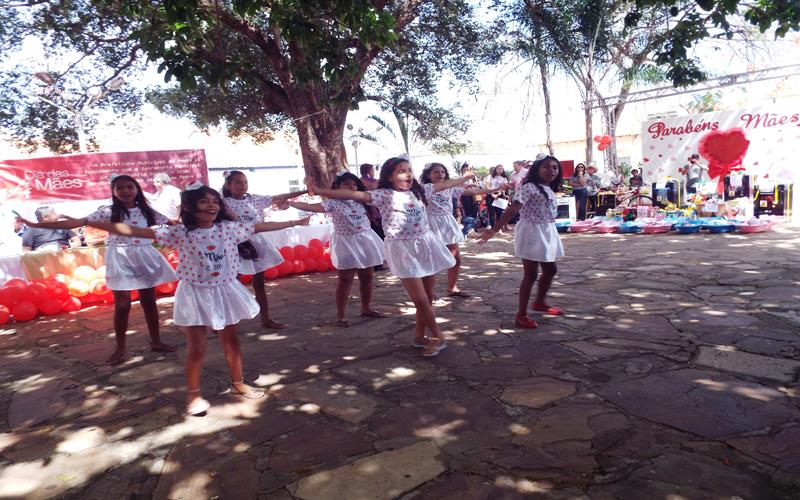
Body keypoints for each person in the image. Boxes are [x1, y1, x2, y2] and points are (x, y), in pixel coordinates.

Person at [90, 182, 310, 415]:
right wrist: (94, 223)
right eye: (204, 201)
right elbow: (139, 232)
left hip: (224, 289)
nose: (211, 206)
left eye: (215, 201)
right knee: (197, 347)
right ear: (189, 206)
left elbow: (260, 226)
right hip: (194, 292)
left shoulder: (228, 228)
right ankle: (193, 395)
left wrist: (294, 222)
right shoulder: (180, 232)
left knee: (231, 341)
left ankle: (238, 384)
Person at [306, 156, 470, 357]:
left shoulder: (421, 190)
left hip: (425, 244)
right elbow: (354, 194)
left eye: (409, 170)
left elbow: (447, 183)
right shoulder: (382, 195)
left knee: (427, 297)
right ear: (390, 177)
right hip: (402, 249)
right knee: (420, 299)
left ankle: (419, 336)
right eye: (402, 170)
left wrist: (464, 178)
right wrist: (320, 191)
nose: (408, 174)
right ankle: (438, 336)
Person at [18, 175, 177, 364]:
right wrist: (35, 225)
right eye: (120, 188)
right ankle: (120, 347)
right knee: (122, 305)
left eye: (129, 187)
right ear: (114, 192)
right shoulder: (107, 212)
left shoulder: (146, 210)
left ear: (137, 189)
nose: (125, 191)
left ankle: (156, 341)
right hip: (120, 258)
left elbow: (172, 223)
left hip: (144, 257)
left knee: (149, 302)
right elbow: (75, 223)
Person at [288, 172, 385, 326]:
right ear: (337, 188)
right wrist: (291, 203)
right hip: (345, 243)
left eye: (354, 184)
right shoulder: (332, 203)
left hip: (365, 240)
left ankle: (366, 308)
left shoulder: (362, 201)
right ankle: (341, 315)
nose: (351, 187)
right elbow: (311, 206)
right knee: (345, 279)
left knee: (367, 277)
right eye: (346, 184)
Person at [479, 155, 565, 328]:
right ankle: (521, 314)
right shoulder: (529, 187)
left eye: (555, 167)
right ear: (537, 169)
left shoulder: (547, 188)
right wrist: (494, 229)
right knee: (531, 274)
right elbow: (512, 210)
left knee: (550, 270)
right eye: (546, 167)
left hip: (547, 230)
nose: (551, 171)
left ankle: (539, 302)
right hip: (532, 231)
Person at [221, 170, 308, 329]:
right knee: (232, 283)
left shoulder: (255, 199)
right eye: (238, 182)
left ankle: (266, 318)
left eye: (245, 182)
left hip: (257, 243)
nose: (242, 185)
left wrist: (306, 190)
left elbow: (279, 196)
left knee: (259, 282)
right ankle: (224, 322)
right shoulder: (223, 202)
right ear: (228, 185)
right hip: (235, 245)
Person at [420, 163, 493, 297]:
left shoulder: (450, 188)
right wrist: (465, 178)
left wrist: (494, 189)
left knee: (456, 258)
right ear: (428, 175)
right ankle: (428, 292)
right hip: (431, 223)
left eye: (442, 172)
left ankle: (452, 287)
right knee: (430, 259)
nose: (440, 174)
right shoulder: (426, 188)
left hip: (447, 223)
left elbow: (473, 192)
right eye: (436, 172)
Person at [485, 165, 510, 230]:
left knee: (500, 212)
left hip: (500, 196)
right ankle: (493, 228)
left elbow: (504, 188)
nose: (500, 170)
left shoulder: (504, 178)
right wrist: (492, 194)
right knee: (492, 212)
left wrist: (499, 194)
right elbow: (487, 187)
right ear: (496, 169)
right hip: (490, 195)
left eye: (502, 169)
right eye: (499, 168)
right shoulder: (490, 176)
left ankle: (499, 229)